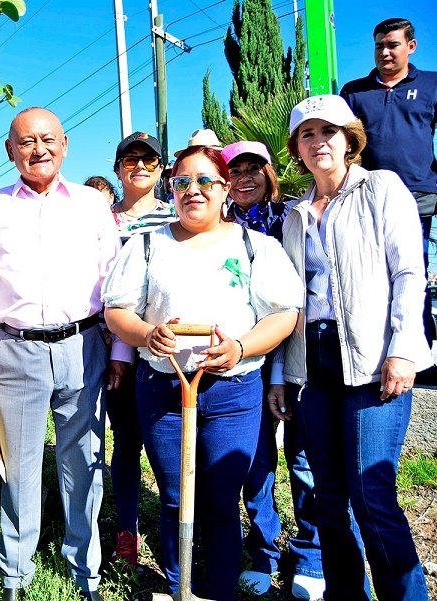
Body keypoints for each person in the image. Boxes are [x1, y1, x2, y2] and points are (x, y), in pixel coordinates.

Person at [102, 145, 303, 601]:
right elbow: (117, 311)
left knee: (219, 498)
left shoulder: (257, 247)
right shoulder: (147, 245)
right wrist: (147, 334)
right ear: (171, 189)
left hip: (233, 392)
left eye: (206, 181)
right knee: (175, 498)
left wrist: (240, 347)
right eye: (182, 182)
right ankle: (180, 588)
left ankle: (219, 589)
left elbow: (284, 314)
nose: (194, 190)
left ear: (225, 187)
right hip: (163, 389)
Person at [0, 107, 128, 601]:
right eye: (26, 141)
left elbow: (115, 283)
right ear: (10, 151)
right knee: (20, 467)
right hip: (16, 349)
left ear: (65, 145)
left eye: (48, 139)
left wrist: (120, 349)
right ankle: (16, 571)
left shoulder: (91, 206)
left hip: (85, 347)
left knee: (85, 462)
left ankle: (86, 569)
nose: (39, 149)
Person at [281, 94, 432, 601]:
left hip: (372, 357)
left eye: (329, 131)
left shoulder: (382, 188)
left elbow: (410, 272)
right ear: (297, 149)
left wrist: (404, 349)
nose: (318, 141)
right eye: (307, 133)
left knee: (371, 493)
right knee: (328, 498)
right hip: (314, 362)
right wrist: (284, 373)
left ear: (350, 139)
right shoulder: (295, 213)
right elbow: (288, 303)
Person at [220, 141, 326, 600]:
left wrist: (282, 367)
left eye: (253, 169)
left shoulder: (293, 219)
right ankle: (263, 551)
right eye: (235, 170)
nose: (244, 178)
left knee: (304, 458)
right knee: (256, 461)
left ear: (270, 174)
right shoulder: (217, 226)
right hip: (241, 361)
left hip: (299, 357)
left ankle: (312, 555)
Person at [340, 18, 437, 349]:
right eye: (379, 45)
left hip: (419, 196)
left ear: (410, 47)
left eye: (392, 44)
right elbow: (345, 146)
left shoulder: (431, 85)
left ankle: (417, 348)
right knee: (372, 274)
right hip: (367, 198)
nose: (384, 52)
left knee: (412, 272)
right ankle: (378, 346)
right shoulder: (354, 92)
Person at [105, 130, 176, 568]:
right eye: (131, 160)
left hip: (159, 350)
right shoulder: (100, 219)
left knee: (168, 446)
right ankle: (125, 530)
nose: (140, 167)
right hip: (105, 346)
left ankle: (185, 530)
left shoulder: (176, 217)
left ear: (162, 168)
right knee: (124, 441)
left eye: (149, 161)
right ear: (118, 169)